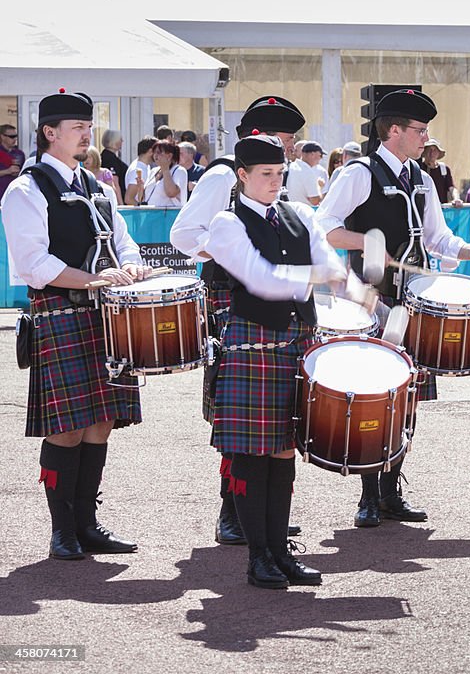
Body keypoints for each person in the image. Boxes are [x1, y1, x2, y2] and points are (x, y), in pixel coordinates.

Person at [318, 89, 470, 528]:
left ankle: (391, 490)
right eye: (419, 130)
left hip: (414, 303)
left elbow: (437, 238)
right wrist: (368, 242)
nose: (425, 137)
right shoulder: (359, 173)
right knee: (373, 399)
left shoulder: (420, 177)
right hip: (371, 301)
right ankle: (368, 495)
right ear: (394, 130)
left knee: (407, 398)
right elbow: (323, 228)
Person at [0, 89, 153, 560]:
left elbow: (123, 241)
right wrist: (92, 280)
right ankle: (61, 529)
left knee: (101, 422)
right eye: (77, 128)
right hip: (62, 313)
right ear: (50, 133)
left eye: (89, 126)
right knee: (66, 427)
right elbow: (32, 264)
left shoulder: (99, 187)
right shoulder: (26, 189)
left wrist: (132, 266)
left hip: (109, 318)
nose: (87, 134)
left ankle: (87, 524)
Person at [205, 133, 346, 589]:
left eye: (280, 174)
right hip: (253, 342)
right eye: (265, 174)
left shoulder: (301, 213)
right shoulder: (226, 224)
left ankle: (281, 553)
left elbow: (327, 260)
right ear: (242, 175)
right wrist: (318, 275)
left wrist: (344, 278)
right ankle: (258, 557)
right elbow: (261, 280)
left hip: (298, 340)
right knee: (251, 452)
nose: (274, 182)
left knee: (285, 448)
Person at [170, 95, 307, 545]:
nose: (289, 151)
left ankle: (263, 514)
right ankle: (232, 509)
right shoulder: (224, 173)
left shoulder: (274, 179)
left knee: (278, 415)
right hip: (231, 297)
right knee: (236, 417)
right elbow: (185, 234)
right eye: (285, 140)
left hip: (275, 299)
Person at [142, 140, 187, 207]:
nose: (155, 155)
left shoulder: (179, 171)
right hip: (150, 214)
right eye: (154, 152)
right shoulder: (153, 171)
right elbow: (144, 198)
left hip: (169, 215)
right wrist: (141, 187)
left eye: (159, 152)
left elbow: (171, 193)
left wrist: (165, 169)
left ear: (169, 156)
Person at [419, 138, 462, 206]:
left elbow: (451, 188)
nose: (432, 153)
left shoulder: (444, 169)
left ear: (438, 153)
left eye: (435, 150)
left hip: (440, 207)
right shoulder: (419, 168)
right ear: (424, 152)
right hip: (424, 206)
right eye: (429, 150)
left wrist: (456, 198)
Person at [288, 141, 328, 207]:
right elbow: (315, 201)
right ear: (312, 154)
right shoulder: (308, 172)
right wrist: (319, 187)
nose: (321, 158)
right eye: (320, 155)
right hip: (304, 212)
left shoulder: (292, 166)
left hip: (290, 209)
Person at [124, 137, 156, 206]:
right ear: (150, 151)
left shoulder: (145, 167)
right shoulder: (137, 169)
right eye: (157, 152)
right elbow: (128, 199)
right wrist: (143, 208)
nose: (159, 155)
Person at [0, 123, 26, 198]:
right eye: (12, 137)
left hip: (15, 194)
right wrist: (7, 171)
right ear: (2, 136)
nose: (15, 139)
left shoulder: (20, 153)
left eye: (16, 136)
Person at [99, 129, 128, 194]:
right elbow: (114, 183)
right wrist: (120, 203)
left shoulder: (104, 156)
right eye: (120, 139)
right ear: (114, 141)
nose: (122, 141)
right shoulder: (110, 159)